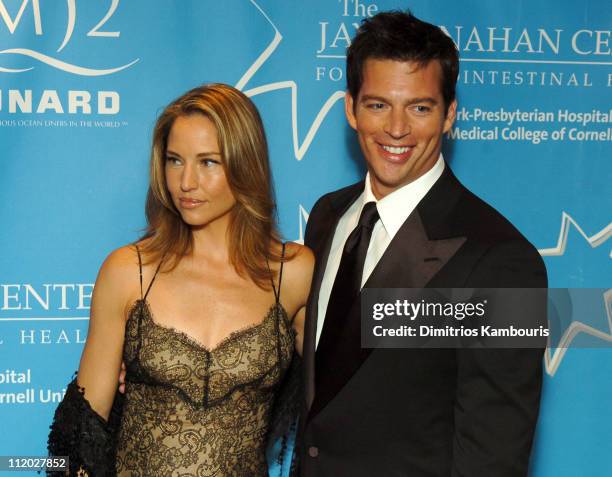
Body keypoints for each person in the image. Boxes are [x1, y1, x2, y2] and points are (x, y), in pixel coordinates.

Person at [297, 11, 547, 476]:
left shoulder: (507, 262)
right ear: (350, 108)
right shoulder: (328, 217)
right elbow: (327, 385)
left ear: (450, 114)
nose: (396, 129)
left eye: (419, 107)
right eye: (377, 105)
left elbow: (495, 458)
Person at [48, 83, 313, 476]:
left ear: (245, 164)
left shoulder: (293, 272)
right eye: (175, 160)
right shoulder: (129, 272)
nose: (186, 182)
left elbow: (336, 411)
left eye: (208, 162)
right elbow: (82, 435)